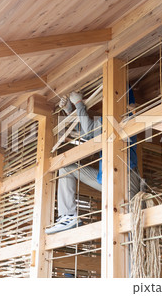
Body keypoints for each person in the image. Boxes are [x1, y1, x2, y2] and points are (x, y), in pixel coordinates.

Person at [46, 89, 141, 234]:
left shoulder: (122, 117)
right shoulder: (105, 122)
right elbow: (85, 131)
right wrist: (70, 110)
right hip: (108, 180)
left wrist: (78, 103)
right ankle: (69, 216)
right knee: (66, 169)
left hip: (127, 180)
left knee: (129, 232)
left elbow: (89, 132)